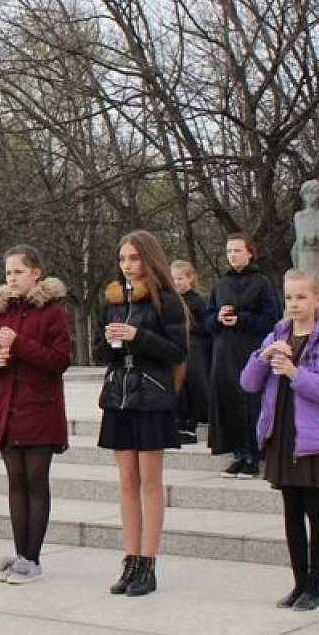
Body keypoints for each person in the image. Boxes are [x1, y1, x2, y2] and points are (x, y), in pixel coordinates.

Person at [240, 270, 319, 612]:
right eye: (289, 297)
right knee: (291, 512)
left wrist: (295, 374)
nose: (294, 304)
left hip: (313, 437)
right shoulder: (277, 334)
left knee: (315, 510)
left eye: (301, 297)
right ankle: (298, 583)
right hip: (283, 434)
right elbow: (248, 383)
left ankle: (314, 586)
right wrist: (263, 356)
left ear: (317, 300)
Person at [96, 231, 188, 596]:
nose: (127, 265)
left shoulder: (167, 300)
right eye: (122, 259)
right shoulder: (113, 300)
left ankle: (148, 563)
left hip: (151, 395)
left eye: (133, 258)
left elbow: (177, 351)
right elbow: (101, 353)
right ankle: (130, 560)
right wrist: (111, 341)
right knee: (126, 483)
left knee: (150, 483)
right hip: (119, 395)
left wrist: (138, 336)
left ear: (148, 260)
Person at [0, 246, 69, 584]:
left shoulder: (53, 312)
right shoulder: (1, 312)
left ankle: (33, 559)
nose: (12, 278)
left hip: (40, 411)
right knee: (15, 484)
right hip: (7, 410)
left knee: (35, 482)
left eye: (18, 272)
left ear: (36, 274)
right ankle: (20, 557)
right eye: (8, 273)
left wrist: (18, 344)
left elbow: (59, 361)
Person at [205, 234, 279, 478]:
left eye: (237, 250)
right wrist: (218, 318)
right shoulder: (221, 284)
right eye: (229, 251)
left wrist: (242, 319)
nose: (232, 255)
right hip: (224, 352)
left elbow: (271, 319)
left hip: (250, 350)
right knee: (227, 399)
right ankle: (238, 453)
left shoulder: (262, 283)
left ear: (249, 253)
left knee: (250, 402)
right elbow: (206, 320)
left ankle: (253, 455)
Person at [171, 260, 211, 444]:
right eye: (174, 279)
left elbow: (207, 326)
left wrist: (191, 328)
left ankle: (191, 425)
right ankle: (179, 423)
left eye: (180, 278)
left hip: (195, 349)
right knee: (178, 388)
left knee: (194, 387)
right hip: (177, 348)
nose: (176, 282)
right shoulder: (170, 300)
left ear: (190, 279)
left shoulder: (197, 301)